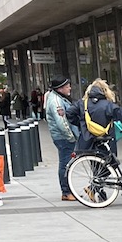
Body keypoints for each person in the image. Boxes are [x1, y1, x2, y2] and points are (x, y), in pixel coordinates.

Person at [44, 74, 79, 202]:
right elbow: (62, 122)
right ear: (60, 88)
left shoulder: (58, 98)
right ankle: (66, 192)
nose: (70, 88)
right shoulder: (56, 101)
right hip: (63, 138)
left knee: (66, 163)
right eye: (67, 86)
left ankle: (67, 191)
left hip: (62, 137)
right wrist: (71, 137)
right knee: (65, 164)